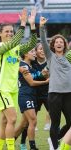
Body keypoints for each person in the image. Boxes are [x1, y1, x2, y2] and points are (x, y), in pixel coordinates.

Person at [0, 8, 37, 150]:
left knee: (5, 120)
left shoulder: (16, 47)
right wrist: (22, 23)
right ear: (0, 34)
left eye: (11, 31)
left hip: (13, 88)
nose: (10, 33)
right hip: (2, 88)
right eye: (7, 31)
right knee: (12, 119)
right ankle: (11, 148)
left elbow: (31, 45)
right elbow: (14, 42)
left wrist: (32, 25)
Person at [40, 16, 71, 150]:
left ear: (65, 45)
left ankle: (56, 137)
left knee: (70, 122)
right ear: (53, 45)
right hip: (54, 94)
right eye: (56, 42)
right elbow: (43, 41)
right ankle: (54, 145)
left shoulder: (68, 58)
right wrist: (41, 27)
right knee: (55, 123)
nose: (59, 43)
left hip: (69, 94)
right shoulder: (50, 56)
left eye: (61, 42)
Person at [16, 48, 49, 150]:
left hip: (32, 96)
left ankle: (10, 140)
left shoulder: (31, 66)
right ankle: (33, 147)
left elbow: (37, 76)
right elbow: (31, 82)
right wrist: (47, 81)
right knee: (33, 121)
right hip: (25, 95)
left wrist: (43, 74)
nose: (34, 54)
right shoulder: (23, 65)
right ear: (25, 54)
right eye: (32, 52)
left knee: (23, 124)